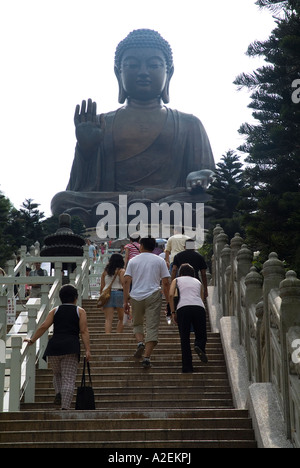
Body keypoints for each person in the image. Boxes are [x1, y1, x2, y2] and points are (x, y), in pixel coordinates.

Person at [51, 28, 215, 227]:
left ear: (168, 72)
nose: (143, 72)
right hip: (117, 202)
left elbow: (208, 177)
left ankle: (140, 212)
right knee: (61, 201)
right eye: (132, 65)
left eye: (154, 65)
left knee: (212, 201)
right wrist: (86, 149)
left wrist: (202, 176)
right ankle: (142, 212)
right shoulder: (102, 123)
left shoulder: (189, 124)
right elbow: (79, 188)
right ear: (118, 73)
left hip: (167, 199)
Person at [24, 284, 91, 410]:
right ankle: (65, 407)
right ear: (76, 298)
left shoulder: (55, 310)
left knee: (57, 374)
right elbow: (84, 331)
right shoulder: (80, 311)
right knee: (69, 379)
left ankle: (59, 393)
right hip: (71, 347)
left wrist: (33, 340)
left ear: (60, 298)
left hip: (54, 347)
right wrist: (87, 349)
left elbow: (44, 326)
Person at [123, 236, 170, 369]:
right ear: (154, 247)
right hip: (153, 294)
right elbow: (166, 282)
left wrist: (125, 300)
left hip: (136, 296)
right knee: (152, 326)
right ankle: (147, 358)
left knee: (137, 323)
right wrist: (168, 301)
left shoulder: (133, 261)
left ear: (141, 246)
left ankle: (139, 343)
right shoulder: (160, 261)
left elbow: (126, 281)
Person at [169, 263, 207, 373]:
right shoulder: (198, 282)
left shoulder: (176, 280)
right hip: (199, 307)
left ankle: (187, 367)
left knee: (184, 338)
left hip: (183, 308)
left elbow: (171, 295)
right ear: (193, 273)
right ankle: (199, 345)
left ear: (180, 273)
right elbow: (201, 296)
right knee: (201, 333)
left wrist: (172, 312)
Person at [100, 253, 125, 334]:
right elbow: (123, 284)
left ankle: (107, 336)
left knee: (108, 319)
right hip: (119, 293)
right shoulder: (121, 271)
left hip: (107, 295)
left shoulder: (105, 272)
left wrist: (101, 300)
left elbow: (102, 287)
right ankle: (118, 334)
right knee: (121, 318)